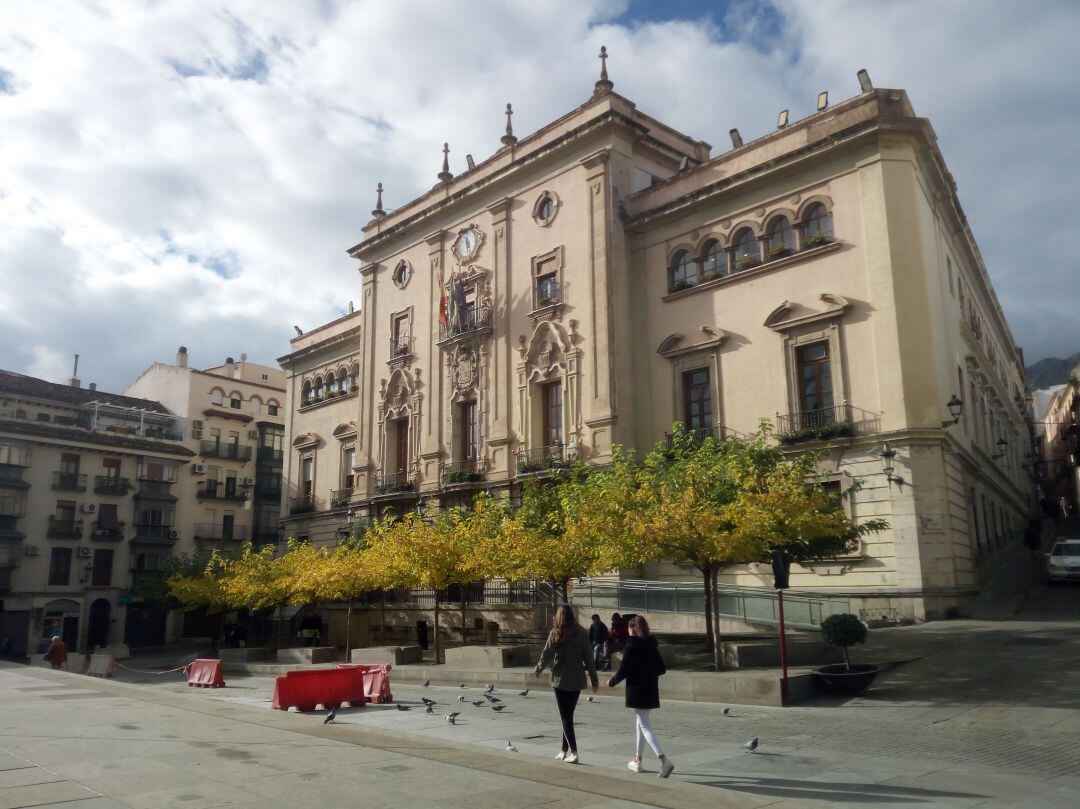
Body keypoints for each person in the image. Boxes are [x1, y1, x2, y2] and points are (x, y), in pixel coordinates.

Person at [607, 615, 674, 778]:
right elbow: (661, 669)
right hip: (650, 688)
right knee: (640, 723)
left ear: (632, 628)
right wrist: (646, 670)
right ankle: (638, 760)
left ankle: (663, 760)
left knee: (644, 725)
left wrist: (612, 681)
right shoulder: (651, 644)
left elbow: (624, 670)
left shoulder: (632, 646)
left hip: (637, 689)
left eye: (629, 628)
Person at [534, 605, 598, 764]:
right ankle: (563, 750)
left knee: (566, 717)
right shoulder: (582, 633)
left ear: (558, 616)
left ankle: (574, 751)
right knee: (568, 716)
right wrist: (594, 678)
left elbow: (547, 653)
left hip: (560, 678)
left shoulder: (556, 633)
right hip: (577, 678)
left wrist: (539, 668)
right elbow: (588, 658)